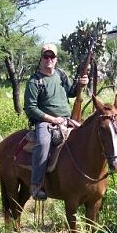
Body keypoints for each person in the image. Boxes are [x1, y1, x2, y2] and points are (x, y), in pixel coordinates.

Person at [24, 43, 89, 200]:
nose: (49, 59)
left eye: (51, 56)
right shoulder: (34, 81)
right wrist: (52, 119)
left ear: (56, 59)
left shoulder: (61, 75)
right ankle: (36, 185)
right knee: (43, 143)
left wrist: (82, 84)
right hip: (45, 122)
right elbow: (30, 108)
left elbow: (72, 92)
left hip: (67, 120)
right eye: (45, 56)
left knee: (89, 136)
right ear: (41, 59)